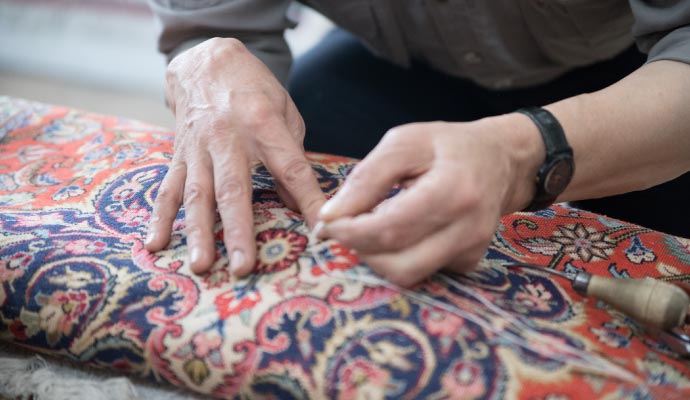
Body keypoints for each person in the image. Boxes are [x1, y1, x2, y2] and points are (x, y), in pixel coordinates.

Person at [144, 0, 690, 287]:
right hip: (402, 61)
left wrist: (523, 154)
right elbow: (207, 23)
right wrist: (204, 56)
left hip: (639, 74)